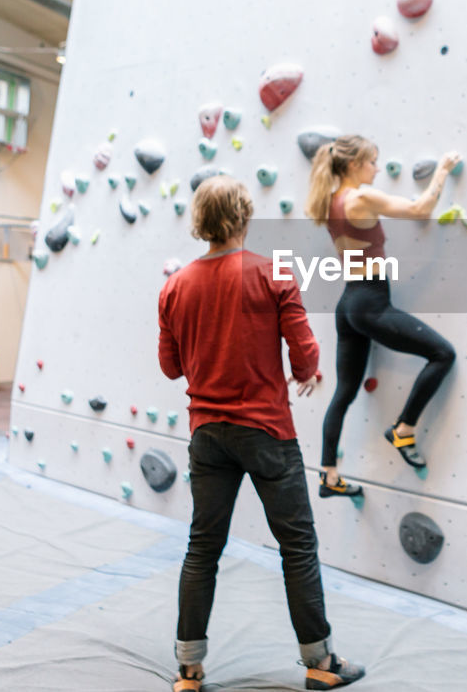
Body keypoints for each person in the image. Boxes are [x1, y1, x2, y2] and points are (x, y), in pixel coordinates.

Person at [158, 175, 364, 691]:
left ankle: (188, 669)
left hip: (207, 433)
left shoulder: (175, 286)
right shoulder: (272, 276)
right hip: (268, 431)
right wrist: (304, 373)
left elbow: (170, 367)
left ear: (200, 222)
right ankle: (319, 664)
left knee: (201, 548)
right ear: (245, 217)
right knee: (296, 547)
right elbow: (307, 353)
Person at [305, 136, 459, 497]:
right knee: (443, 354)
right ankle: (403, 429)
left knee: (344, 392)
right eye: (372, 161)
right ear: (354, 164)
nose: (376, 168)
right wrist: (444, 170)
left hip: (349, 304)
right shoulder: (360, 197)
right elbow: (421, 209)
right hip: (370, 303)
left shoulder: (330, 201)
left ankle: (328, 476)